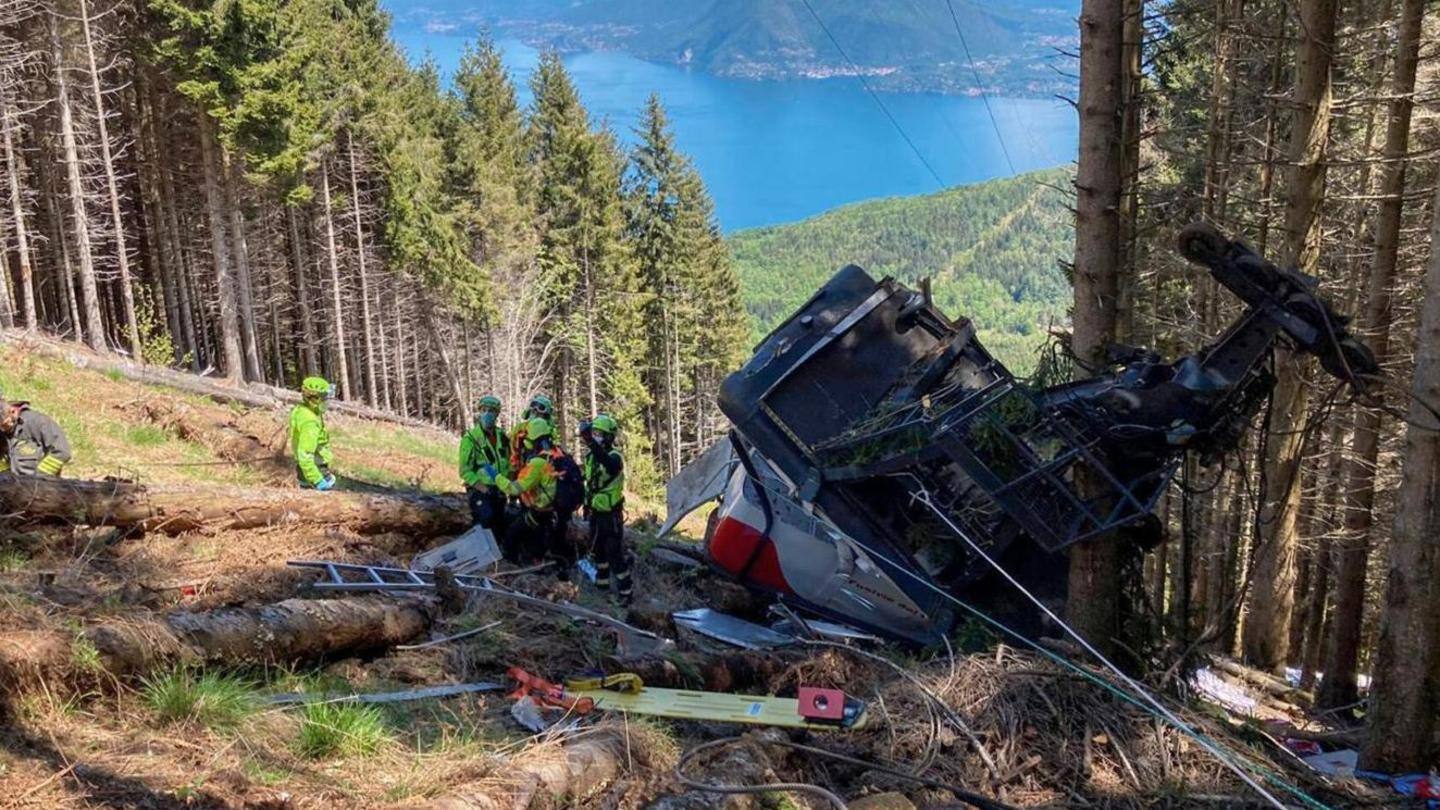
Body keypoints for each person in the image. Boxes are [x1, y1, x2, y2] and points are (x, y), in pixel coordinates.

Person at [497, 417, 561, 566]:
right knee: (537, 538)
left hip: (540, 511)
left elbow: (514, 489)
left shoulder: (537, 463)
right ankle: (537, 561)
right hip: (551, 510)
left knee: (512, 533)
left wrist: (496, 477)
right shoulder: (556, 455)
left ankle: (512, 565)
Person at [580, 413, 630, 602]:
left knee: (614, 554)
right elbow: (589, 482)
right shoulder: (591, 457)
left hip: (611, 515)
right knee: (598, 551)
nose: (596, 437)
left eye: (599, 434)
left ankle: (626, 593)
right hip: (595, 512)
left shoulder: (614, 457)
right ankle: (602, 587)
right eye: (594, 433)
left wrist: (590, 442)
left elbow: (608, 465)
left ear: (609, 436)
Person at [459, 395, 511, 533]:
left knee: (500, 525)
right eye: (484, 410)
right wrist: (483, 489)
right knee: (485, 520)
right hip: (480, 490)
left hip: (500, 489)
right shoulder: (470, 438)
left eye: (491, 410)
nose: (487, 413)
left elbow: (509, 461)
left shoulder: (502, 436)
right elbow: (465, 470)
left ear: (497, 414)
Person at [0, 390, 72, 477]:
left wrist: (39, 478)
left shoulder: (39, 423)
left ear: (13, 411)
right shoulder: (2, 431)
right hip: (13, 486)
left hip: (43, 486)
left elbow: (62, 452)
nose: (3, 430)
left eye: (5, 426)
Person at [291, 376, 336, 491]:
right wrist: (317, 480)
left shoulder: (306, 410)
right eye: (325, 398)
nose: (327, 402)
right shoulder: (309, 422)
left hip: (309, 468)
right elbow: (305, 454)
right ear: (315, 399)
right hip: (315, 470)